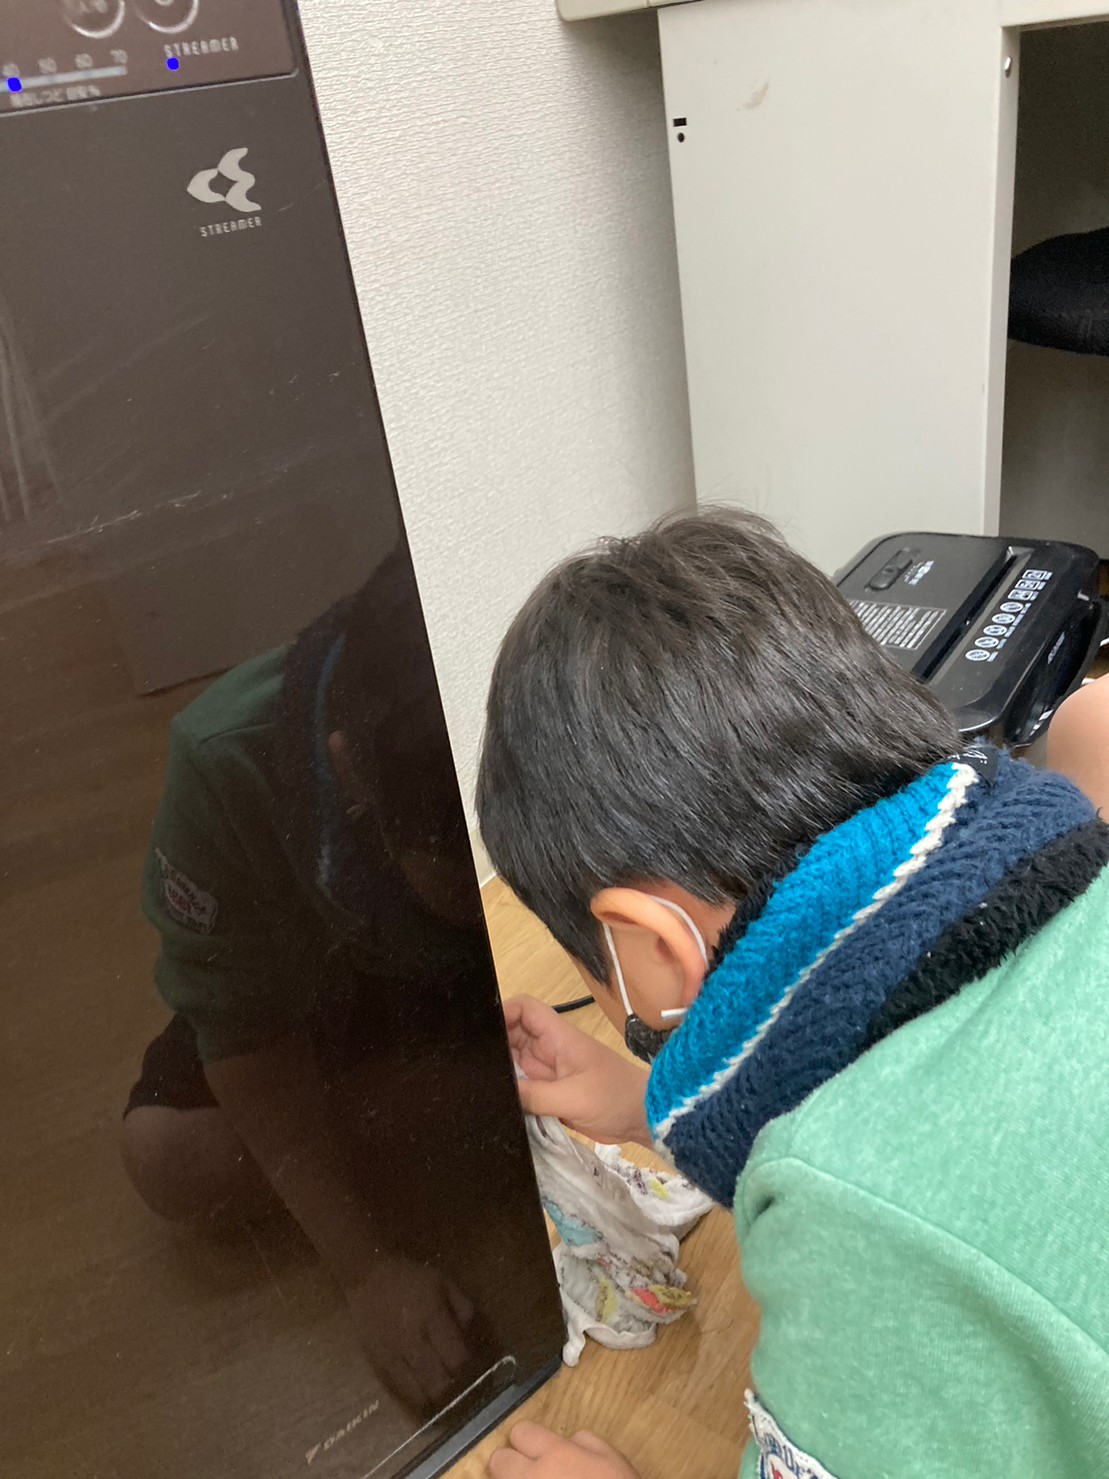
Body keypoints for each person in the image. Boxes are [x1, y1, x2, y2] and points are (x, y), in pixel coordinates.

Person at [476, 509, 1109, 1479]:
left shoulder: (852, 1219)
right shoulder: (1051, 841)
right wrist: (647, 1106)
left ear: (650, 946)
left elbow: (880, 1180)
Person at [120, 543, 498, 1415]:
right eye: (461, 874)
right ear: (351, 770)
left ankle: (488, 1098)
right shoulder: (228, 764)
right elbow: (243, 1035)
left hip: (468, 989)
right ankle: (482, 1098)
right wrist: (365, 1269)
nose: (482, 891)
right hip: (343, 976)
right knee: (168, 1157)